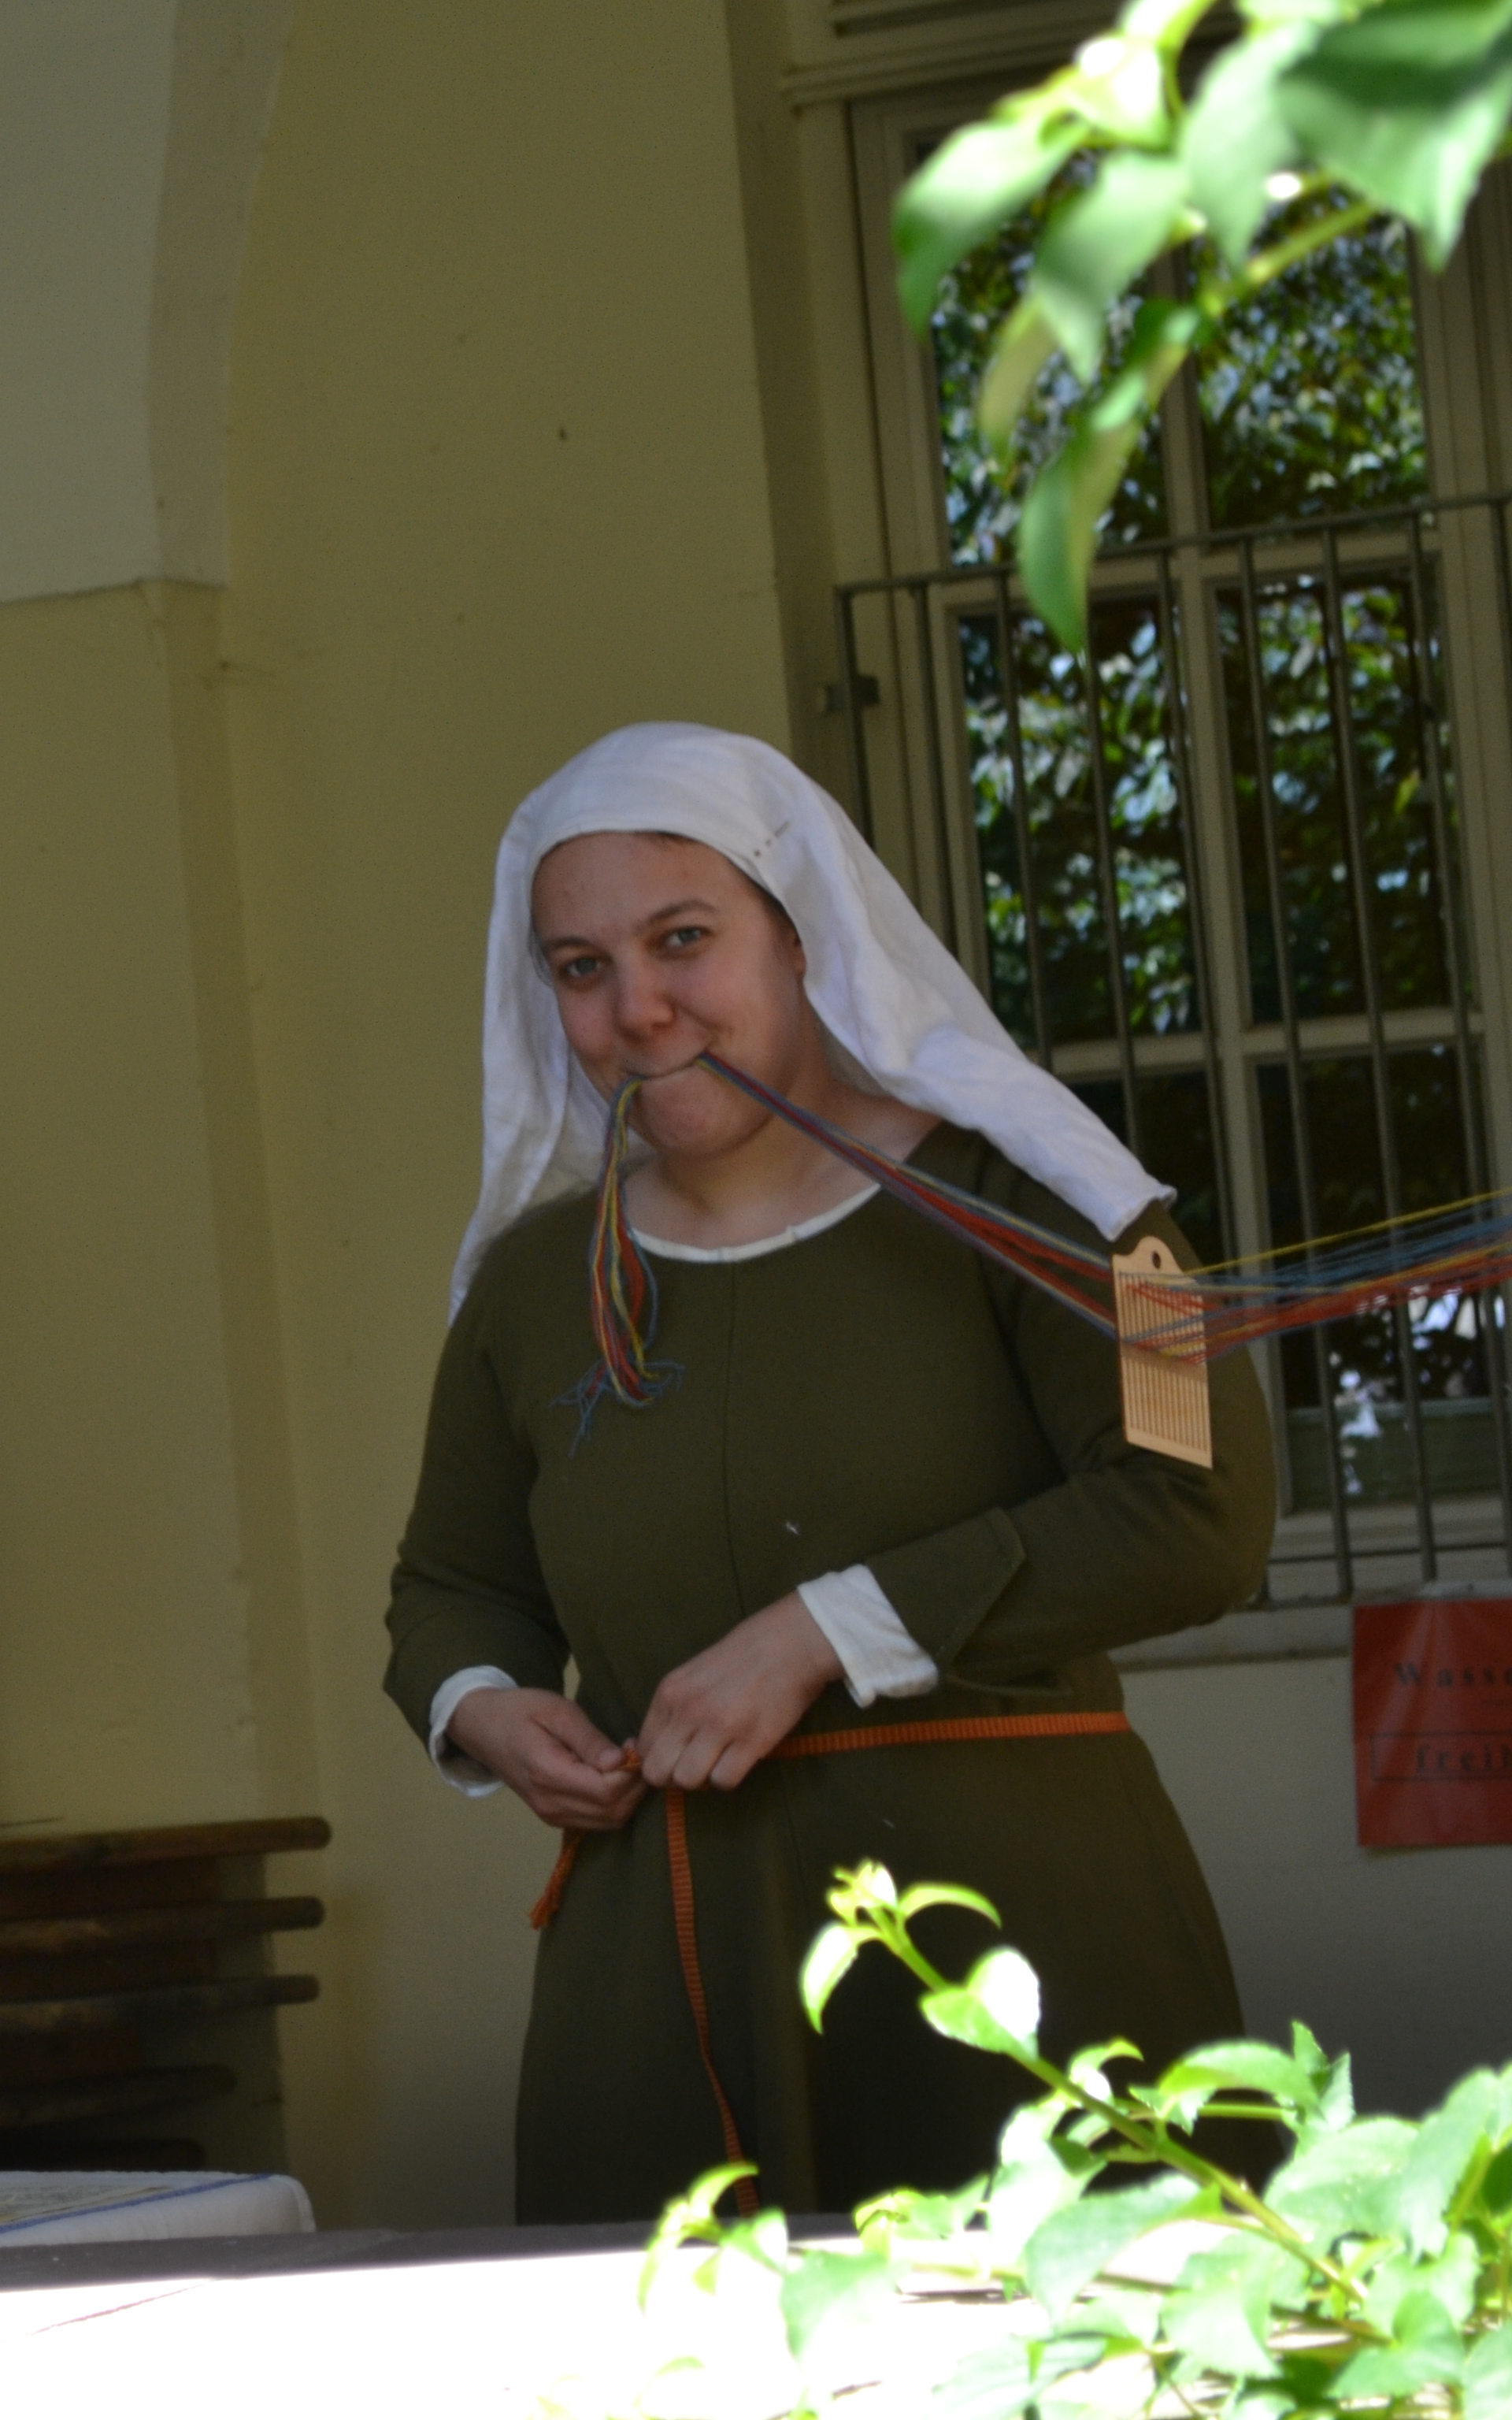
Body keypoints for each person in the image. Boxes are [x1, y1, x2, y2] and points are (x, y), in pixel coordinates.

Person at [384, 722, 1272, 2224]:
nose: (635, 1008)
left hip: (1011, 1955)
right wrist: (480, 1702)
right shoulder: (530, 1286)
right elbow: (449, 1583)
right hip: (655, 1969)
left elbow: (1205, 1512)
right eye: (580, 967)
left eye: (682, 940)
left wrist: (821, 1630)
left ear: (801, 935)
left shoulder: (1076, 1204)